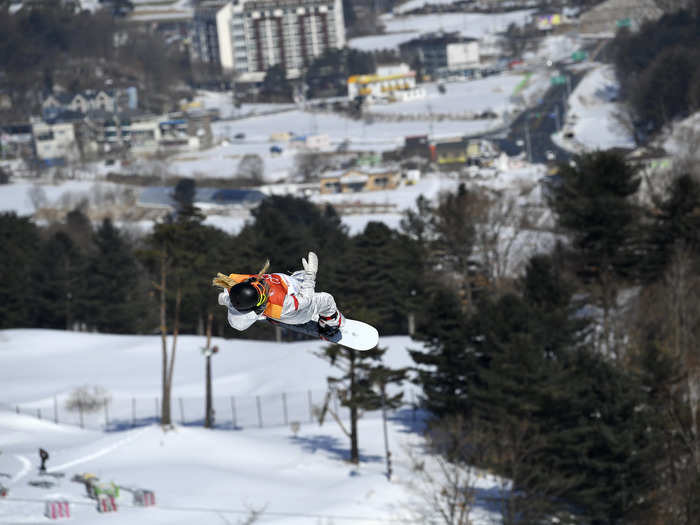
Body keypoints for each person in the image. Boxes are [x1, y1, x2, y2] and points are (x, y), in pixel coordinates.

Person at [213, 251, 344, 336]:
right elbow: (306, 300)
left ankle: (274, 317)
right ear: (260, 301)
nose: (258, 282)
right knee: (326, 299)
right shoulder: (281, 304)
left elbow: (233, 298)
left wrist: (225, 299)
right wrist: (310, 276)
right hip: (297, 311)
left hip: (285, 284)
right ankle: (330, 325)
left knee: (301, 274)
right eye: (260, 289)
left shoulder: (238, 288)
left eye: (253, 283)